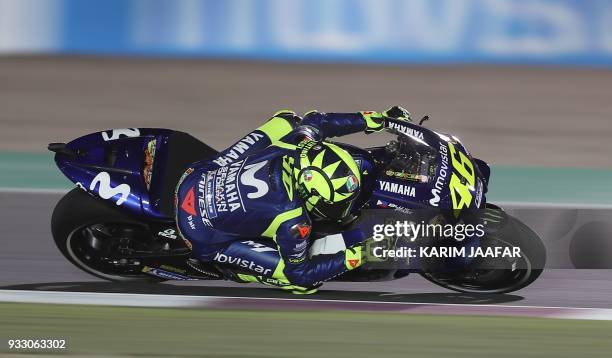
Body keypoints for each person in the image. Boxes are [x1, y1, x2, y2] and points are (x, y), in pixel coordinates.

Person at [175, 106, 412, 293]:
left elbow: (317, 120)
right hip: (199, 230)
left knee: (287, 120)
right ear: (311, 197)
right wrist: (365, 252)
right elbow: (302, 273)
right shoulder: (293, 221)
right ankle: (237, 272)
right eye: (337, 203)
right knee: (300, 284)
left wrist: (378, 119)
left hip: (195, 177)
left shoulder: (299, 144)